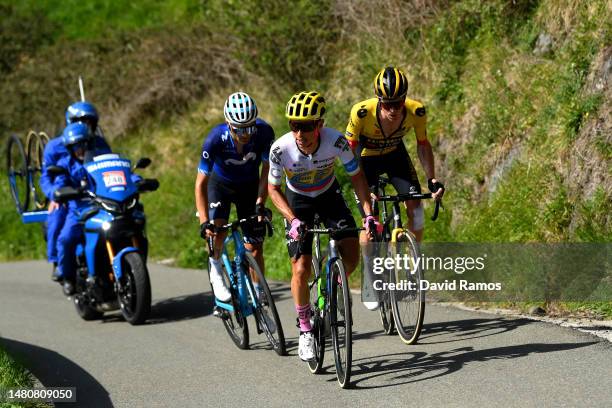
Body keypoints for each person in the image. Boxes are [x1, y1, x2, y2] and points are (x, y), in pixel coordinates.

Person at [267, 91, 378, 362]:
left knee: (351, 254)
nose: (299, 132)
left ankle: (332, 287)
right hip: (298, 201)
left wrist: (368, 215)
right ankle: (305, 329)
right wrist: (292, 220)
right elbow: (273, 188)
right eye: (294, 125)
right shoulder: (281, 149)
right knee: (301, 268)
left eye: (306, 126)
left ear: (320, 125)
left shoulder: (337, 142)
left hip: (328, 195)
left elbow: (357, 176)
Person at [345, 66, 445, 310]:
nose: (392, 109)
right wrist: (362, 186)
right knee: (370, 222)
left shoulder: (416, 110)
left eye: (397, 103)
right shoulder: (360, 112)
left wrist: (431, 179)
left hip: (395, 156)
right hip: (365, 159)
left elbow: (422, 145)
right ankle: (371, 277)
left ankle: (413, 263)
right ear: (379, 100)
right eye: (387, 104)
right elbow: (350, 150)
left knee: (416, 208)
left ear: (404, 99)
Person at [195, 92, 274, 304]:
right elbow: (200, 184)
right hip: (220, 186)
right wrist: (204, 222)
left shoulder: (264, 132)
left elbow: (268, 170)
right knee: (217, 231)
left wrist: (260, 202)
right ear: (229, 124)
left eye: (250, 127)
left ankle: (259, 292)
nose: (246, 133)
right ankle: (216, 269)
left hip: (249, 187)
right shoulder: (214, 139)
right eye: (240, 129)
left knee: (256, 248)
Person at [40, 101, 109, 280]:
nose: (86, 125)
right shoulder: (54, 147)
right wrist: (54, 194)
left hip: (95, 193)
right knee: (56, 222)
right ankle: (59, 263)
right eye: (81, 121)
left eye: (90, 122)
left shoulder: (99, 143)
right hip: (65, 195)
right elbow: (46, 177)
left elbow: (109, 166)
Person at [53, 122, 112, 295]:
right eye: (75, 146)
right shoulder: (65, 165)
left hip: (104, 205)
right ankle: (68, 277)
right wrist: (63, 192)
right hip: (78, 211)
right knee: (65, 239)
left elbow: (119, 171)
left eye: (83, 144)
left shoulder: (102, 157)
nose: (80, 149)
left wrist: (135, 179)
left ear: (89, 143)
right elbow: (59, 183)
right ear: (70, 148)